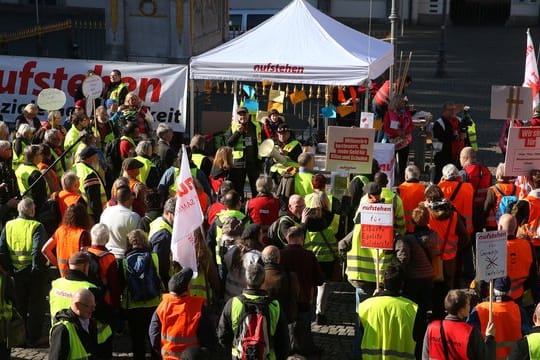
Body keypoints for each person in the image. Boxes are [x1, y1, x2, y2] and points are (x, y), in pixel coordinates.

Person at [0, 198, 48, 347]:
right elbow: (37, 251)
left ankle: (19, 336)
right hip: (32, 273)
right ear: (32, 210)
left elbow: (2, 249)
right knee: (36, 306)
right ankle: (34, 337)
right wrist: (36, 270)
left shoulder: (9, 225)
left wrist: (9, 269)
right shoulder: (37, 226)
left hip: (16, 272)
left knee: (19, 305)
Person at [217, 263, 289, 360]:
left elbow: (222, 337)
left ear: (245, 280)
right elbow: (283, 342)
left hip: (239, 357)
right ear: (263, 281)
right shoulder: (274, 306)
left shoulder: (233, 303)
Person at [48, 251, 113, 356]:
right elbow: (106, 315)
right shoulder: (89, 288)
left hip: (59, 335)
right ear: (86, 267)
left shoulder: (56, 284)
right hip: (90, 341)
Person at [149, 268, 216, 358]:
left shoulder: (162, 307)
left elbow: (153, 336)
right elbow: (208, 337)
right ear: (188, 287)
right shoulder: (198, 307)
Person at [358, 264, 419, 359]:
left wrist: (374, 297)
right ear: (402, 284)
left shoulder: (365, 306)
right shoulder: (412, 308)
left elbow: (362, 334)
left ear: (383, 282)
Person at [280, 226, 324, 356]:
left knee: (285, 327)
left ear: (287, 238)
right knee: (304, 328)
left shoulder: (281, 254)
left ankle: (288, 349)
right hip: (304, 299)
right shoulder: (309, 255)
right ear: (302, 239)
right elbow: (320, 280)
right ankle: (306, 350)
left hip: (286, 300)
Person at [468, 276, 531, 359]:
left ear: (492, 290)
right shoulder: (519, 310)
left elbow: (469, 336)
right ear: (509, 292)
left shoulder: (479, 309)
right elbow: (527, 336)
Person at [122, 229, 162, 360]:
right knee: (154, 338)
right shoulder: (154, 257)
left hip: (134, 306)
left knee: (137, 341)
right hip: (154, 304)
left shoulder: (124, 261)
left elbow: (123, 284)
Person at [422, 289, 496, 359]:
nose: (470, 307)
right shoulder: (470, 332)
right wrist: (490, 337)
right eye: (468, 304)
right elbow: (486, 357)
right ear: (461, 310)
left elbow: (425, 356)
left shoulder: (431, 328)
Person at [41, 203, 91, 277]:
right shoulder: (83, 234)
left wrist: (58, 265)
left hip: (63, 276)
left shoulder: (60, 230)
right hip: (78, 277)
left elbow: (45, 250)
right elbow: (85, 259)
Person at [49, 288, 98, 360]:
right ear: (77, 305)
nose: (93, 310)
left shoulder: (91, 323)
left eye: (94, 306)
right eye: (89, 306)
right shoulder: (62, 329)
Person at [225, 106, 263, 198]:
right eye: (240, 114)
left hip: (253, 163)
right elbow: (229, 144)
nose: (242, 116)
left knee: (256, 188)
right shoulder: (233, 127)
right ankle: (240, 207)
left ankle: (255, 205)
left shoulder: (256, 126)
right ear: (237, 116)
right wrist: (238, 133)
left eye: (244, 114)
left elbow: (261, 143)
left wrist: (260, 161)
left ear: (248, 115)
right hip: (238, 164)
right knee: (238, 189)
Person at [223, 224, 264, 300]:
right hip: (243, 300)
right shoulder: (256, 257)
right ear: (256, 237)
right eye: (261, 234)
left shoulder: (232, 251)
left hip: (229, 298)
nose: (263, 237)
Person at [260, 245, 299, 325]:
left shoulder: (258, 276)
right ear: (278, 259)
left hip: (263, 318)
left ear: (263, 259)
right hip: (284, 318)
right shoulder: (290, 276)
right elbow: (295, 294)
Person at [100, 185, 141, 259]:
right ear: (130, 199)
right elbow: (137, 241)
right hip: (125, 258)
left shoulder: (106, 212)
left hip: (107, 256)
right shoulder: (134, 217)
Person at [87, 223, 121, 311]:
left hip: (86, 297)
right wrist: (116, 306)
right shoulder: (109, 258)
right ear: (107, 239)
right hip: (104, 300)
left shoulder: (84, 253)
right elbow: (114, 285)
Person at [459, 146, 492, 233]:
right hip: (484, 211)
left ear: (465, 158)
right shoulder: (486, 171)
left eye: (460, 158)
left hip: (469, 211)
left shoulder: (464, 173)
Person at [431, 102, 466, 183]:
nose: (453, 111)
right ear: (444, 111)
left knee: (458, 177)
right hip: (443, 156)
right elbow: (440, 139)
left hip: (458, 155)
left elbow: (464, 135)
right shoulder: (439, 123)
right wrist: (455, 137)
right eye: (450, 110)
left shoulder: (459, 120)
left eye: (454, 109)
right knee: (441, 176)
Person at [383, 94, 414, 183]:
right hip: (393, 141)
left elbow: (411, 125)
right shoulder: (389, 113)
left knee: (403, 163)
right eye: (401, 102)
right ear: (396, 103)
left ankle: (402, 181)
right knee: (391, 163)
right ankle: (390, 180)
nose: (403, 104)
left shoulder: (406, 112)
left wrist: (406, 131)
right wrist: (397, 132)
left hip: (405, 141)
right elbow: (386, 128)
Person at [72, 146, 108, 223]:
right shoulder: (89, 174)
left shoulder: (75, 167)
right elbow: (94, 200)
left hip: (81, 210)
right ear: (89, 158)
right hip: (92, 214)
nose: (97, 159)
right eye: (95, 156)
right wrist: (99, 218)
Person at [483, 162, 521, 230]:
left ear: (498, 175)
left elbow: (487, 208)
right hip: (512, 223)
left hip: (495, 224)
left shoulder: (493, 189)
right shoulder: (518, 189)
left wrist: (482, 223)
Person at [148, 197, 175, 287]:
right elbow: (161, 265)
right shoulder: (164, 235)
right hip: (166, 282)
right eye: (177, 215)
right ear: (168, 213)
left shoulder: (159, 221)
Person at [246, 175, 280, 244]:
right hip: (273, 239)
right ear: (271, 187)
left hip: (255, 239)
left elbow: (248, 221)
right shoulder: (278, 202)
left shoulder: (250, 203)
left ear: (257, 186)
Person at [398, 165, 426, 233]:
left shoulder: (400, 188)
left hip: (404, 225)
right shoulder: (424, 188)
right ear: (418, 176)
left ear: (406, 176)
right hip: (418, 225)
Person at [0, 140, 20, 228]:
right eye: (9, 149)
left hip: (11, 200)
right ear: (2, 151)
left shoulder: (7, 162)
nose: (11, 151)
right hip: (3, 205)